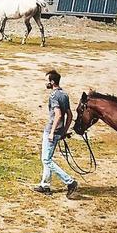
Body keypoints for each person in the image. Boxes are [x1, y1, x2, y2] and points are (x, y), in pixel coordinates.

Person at [33, 70, 79, 198]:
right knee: (47, 158)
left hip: (51, 130)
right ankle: (45, 185)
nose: (46, 83)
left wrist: (52, 132)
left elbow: (58, 115)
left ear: (52, 82)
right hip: (59, 131)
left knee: (46, 159)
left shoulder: (54, 96)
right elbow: (69, 115)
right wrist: (64, 130)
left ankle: (70, 182)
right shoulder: (64, 95)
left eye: (47, 80)